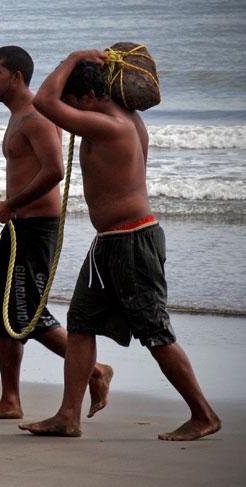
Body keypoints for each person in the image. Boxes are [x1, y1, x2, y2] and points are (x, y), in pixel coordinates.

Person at [19, 49, 222, 441]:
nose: (69, 110)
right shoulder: (118, 118)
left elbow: (43, 101)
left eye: (74, 102)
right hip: (109, 243)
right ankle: (68, 416)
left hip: (132, 241)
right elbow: (55, 101)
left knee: (155, 331)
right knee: (80, 323)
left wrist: (73, 57)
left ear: (89, 97)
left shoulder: (111, 125)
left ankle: (204, 414)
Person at [0, 46, 113, 421]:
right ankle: (10, 400)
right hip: (18, 224)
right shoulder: (17, 116)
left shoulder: (36, 117)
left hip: (36, 228)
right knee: (2, 315)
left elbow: (54, 171)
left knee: (25, 312)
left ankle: (96, 371)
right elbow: (26, 173)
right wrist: (1, 205)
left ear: (16, 77)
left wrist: (12, 205)